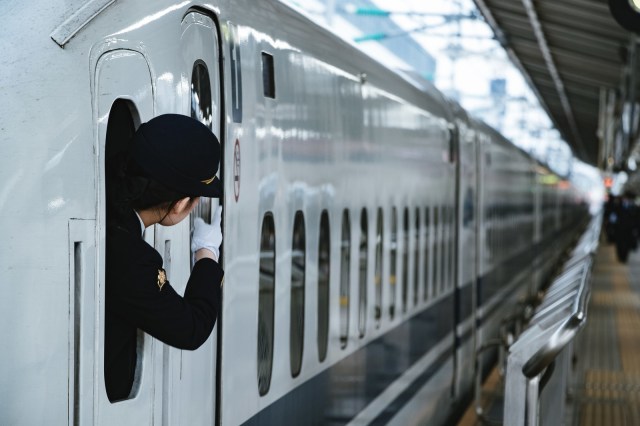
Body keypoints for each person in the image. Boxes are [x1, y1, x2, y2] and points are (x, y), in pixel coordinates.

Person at [104, 114, 224, 402]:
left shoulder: (111, 219)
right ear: (182, 203)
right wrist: (207, 254)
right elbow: (191, 328)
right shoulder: (132, 259)